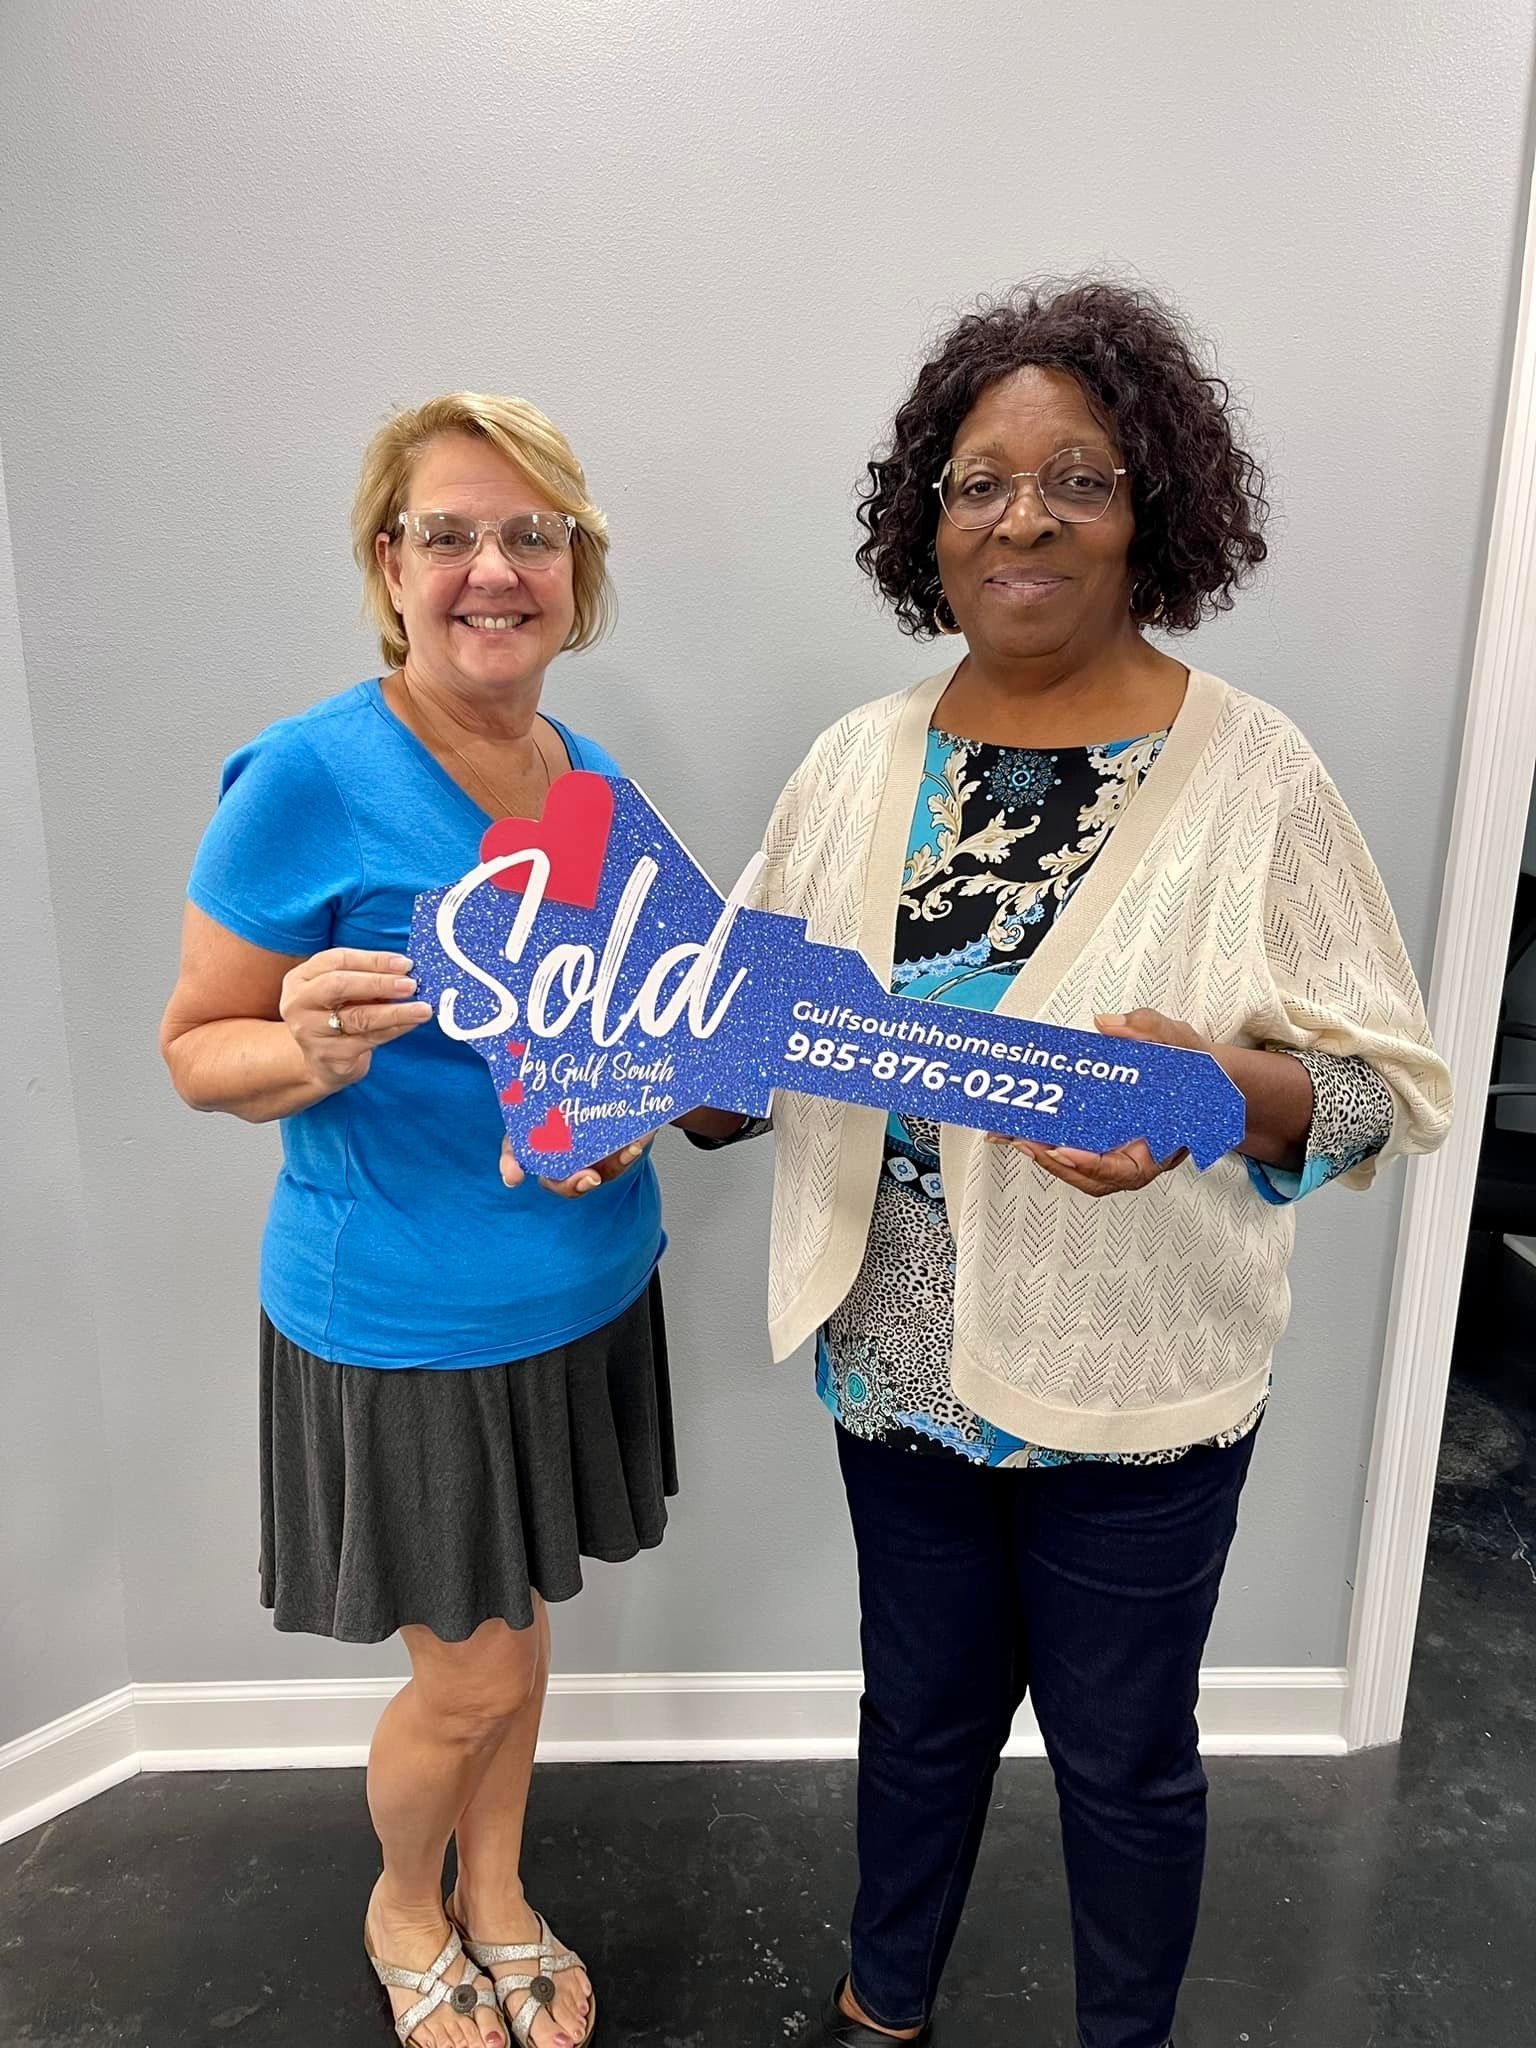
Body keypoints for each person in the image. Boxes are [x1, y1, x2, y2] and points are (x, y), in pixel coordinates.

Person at [720, 283, 1452, 2048]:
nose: (1024, 518)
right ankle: (883, 2001)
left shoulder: (1254, 776)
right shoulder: (856, 764)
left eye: (1079, 479)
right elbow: (735, 1036)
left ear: (1152, 515)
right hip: (895, 1364)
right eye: (980, 483)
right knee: (917, 1719)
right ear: (929, 525)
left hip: (1138, 1380)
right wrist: (637, 1075)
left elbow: (1387, 1088)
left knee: (1124, 1759)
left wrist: (1215, 1095)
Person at [161, 393, 707, 2048]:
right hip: (403, 1315)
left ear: (576, 572)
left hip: (585, 1285)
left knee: (519, 1641)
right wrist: (305, 1050)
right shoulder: (309, 776)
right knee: (470, 1675)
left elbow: (619, 1044)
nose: (493, 569)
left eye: (532, 535)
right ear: (388, 567)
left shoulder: (587, 780)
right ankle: (408, 1904)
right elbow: (195, 1049)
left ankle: (502, 1893)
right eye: (448, 533)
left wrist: (617, 1121)